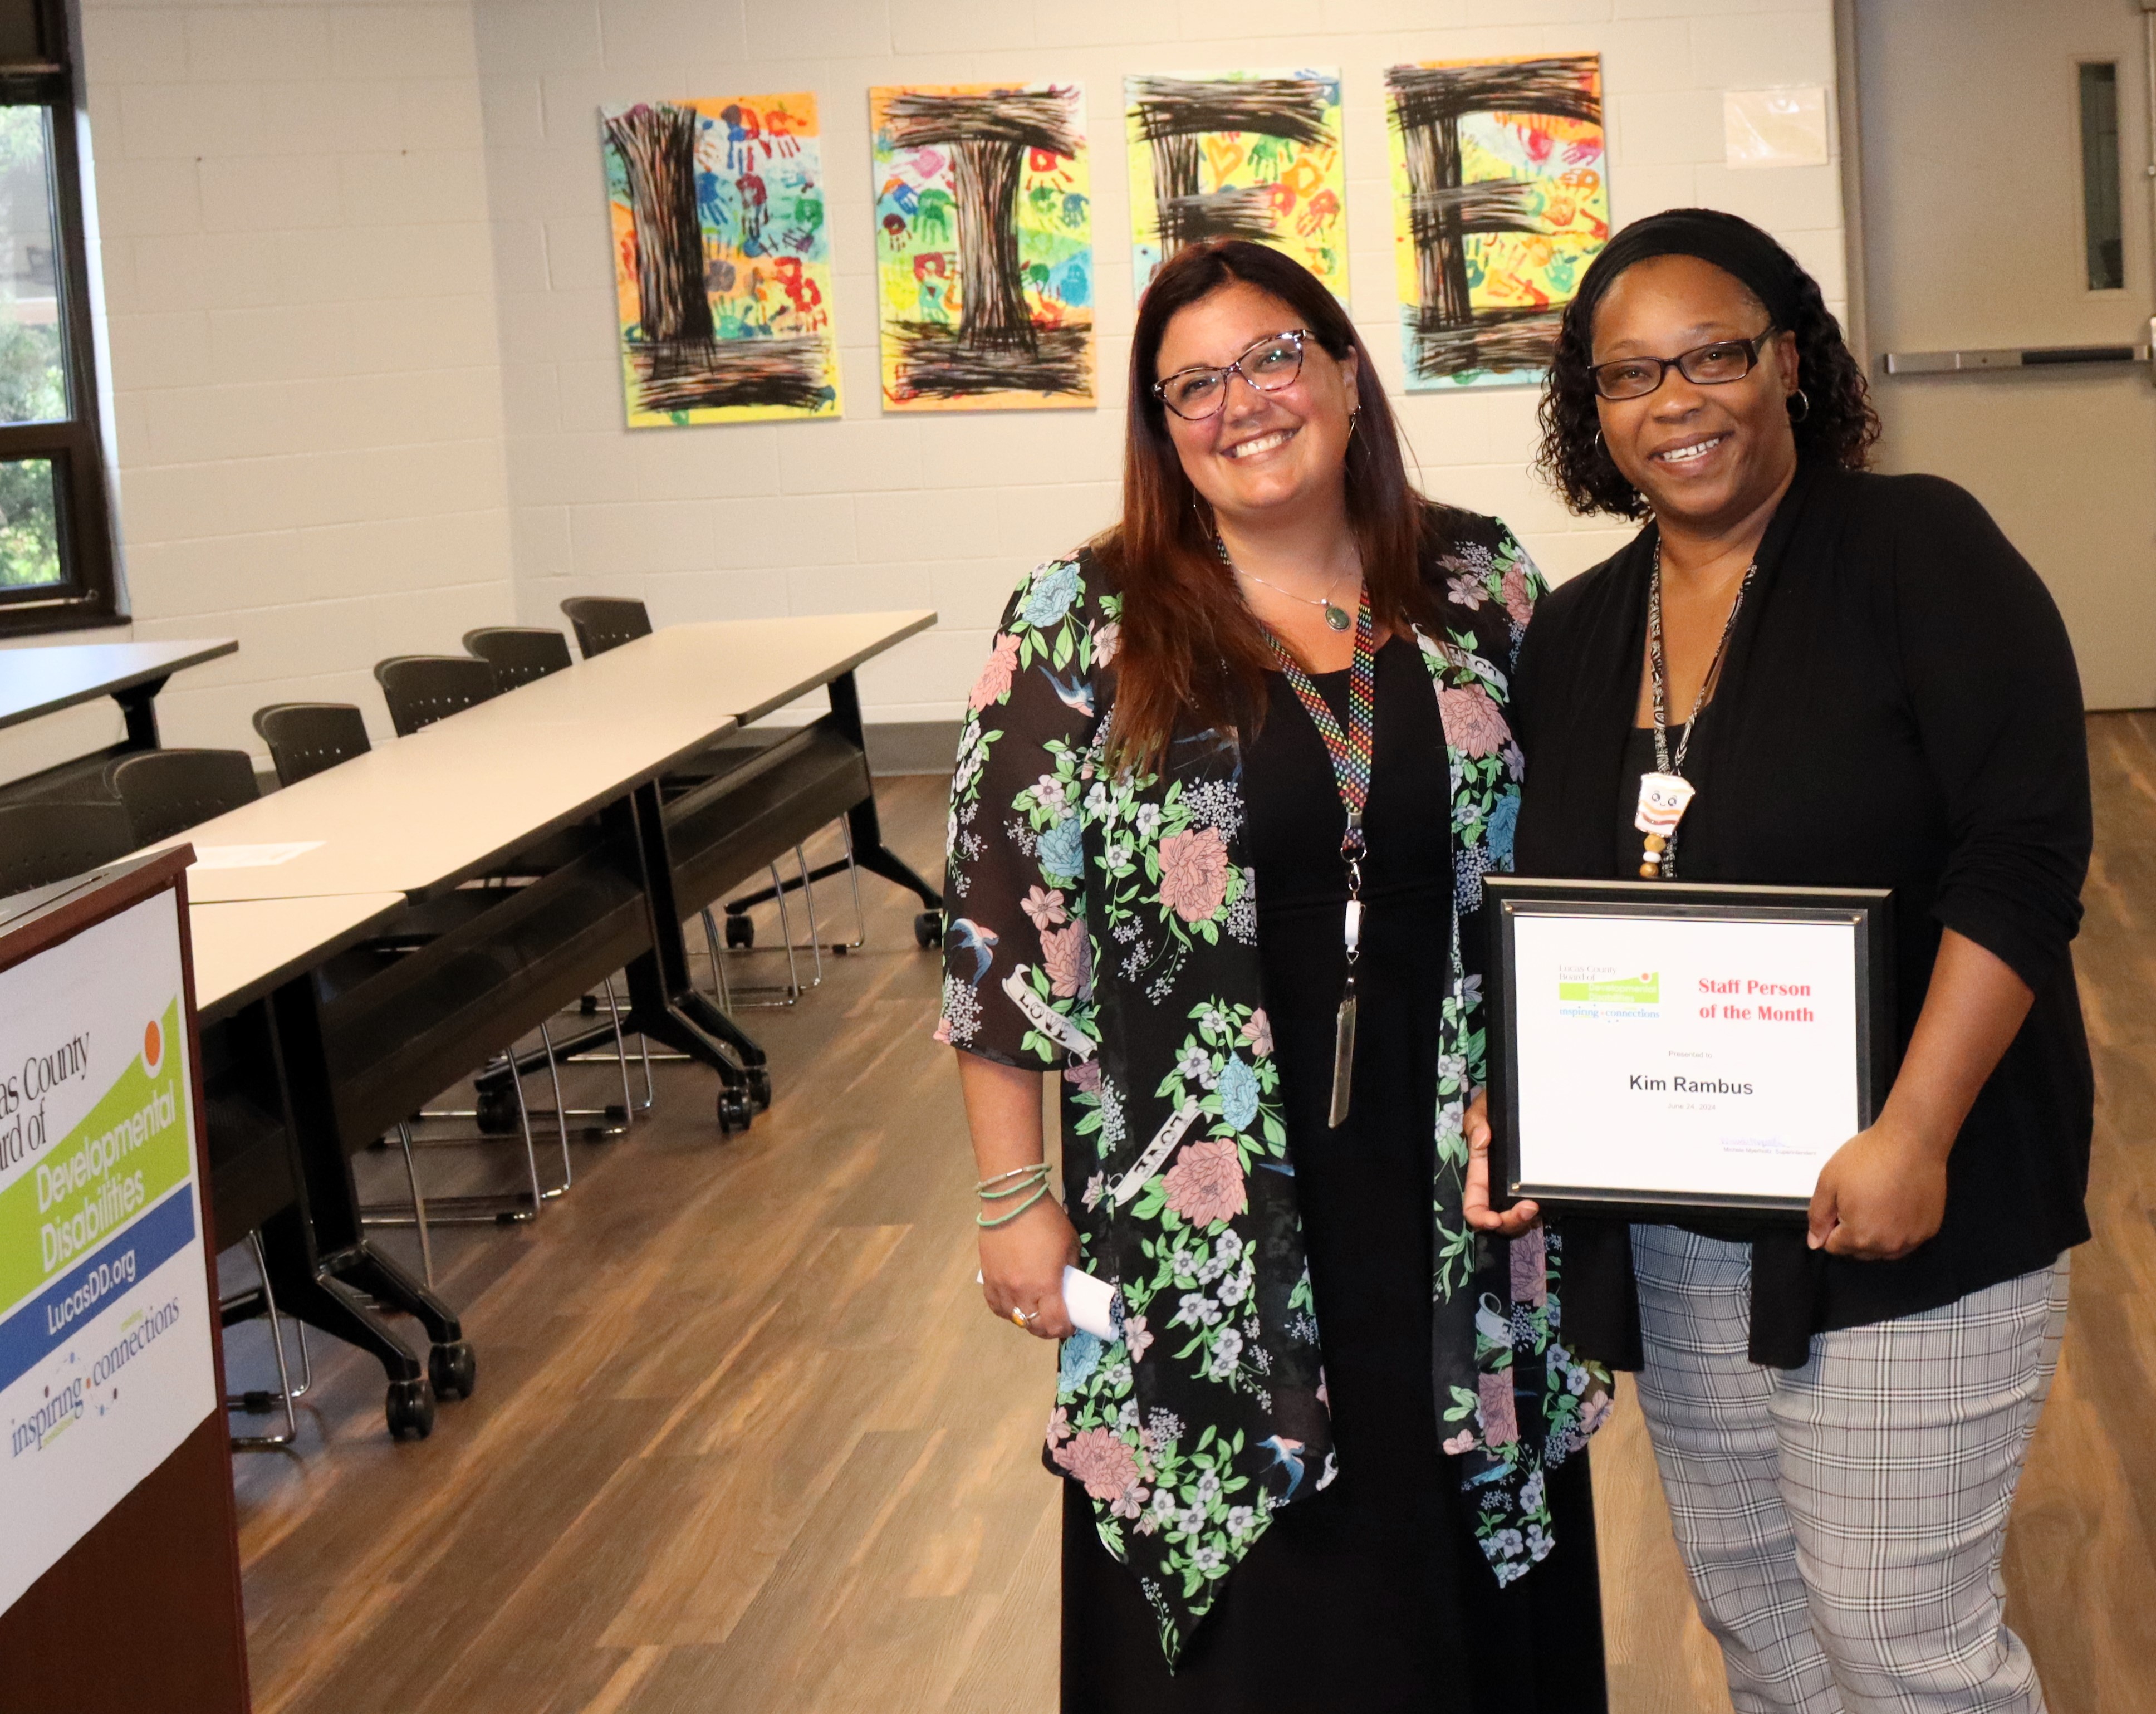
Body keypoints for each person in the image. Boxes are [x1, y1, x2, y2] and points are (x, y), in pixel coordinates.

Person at [939, 238, 1611, 1712]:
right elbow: (1000, 924)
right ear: (1161, 428)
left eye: (1270, 358)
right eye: (1192, 385)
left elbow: (1575, 870)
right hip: (1205, 1205)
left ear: (1348, 375)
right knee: (1260, 1626)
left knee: (1461, 1587)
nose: (1239, 403)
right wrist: (1011, 1194)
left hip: (1459, 1182)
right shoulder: (1075, 627)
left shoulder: (1483, 581)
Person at [1480, 208, 2092, 1714]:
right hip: (1682, 1222)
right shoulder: (1572, 633)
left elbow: (2023, 854)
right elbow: (1562, 914)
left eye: (1714, 357)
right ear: (1591, 408)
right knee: (1763, 1626)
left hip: (1905, 1201)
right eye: (1631, 375)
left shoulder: (1917, 550)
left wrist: (1915, 1130)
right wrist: (1524, 1109)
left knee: (1899, 1642)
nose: (1676, 401)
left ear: (1794, 362)